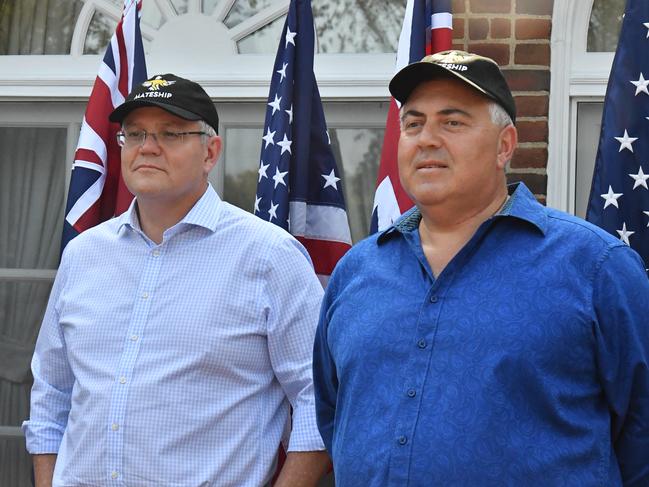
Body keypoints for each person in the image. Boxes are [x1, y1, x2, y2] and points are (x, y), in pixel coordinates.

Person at [313, 51, 649, 486]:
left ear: (504, 145)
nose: (426, 139)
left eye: (452, 122)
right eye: (413, 124)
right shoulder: (357, 271)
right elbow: (335, 416)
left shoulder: (595, 267)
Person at [23, 74, 329, 487]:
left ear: (210, 151)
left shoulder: (269, 256)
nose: (148, 147)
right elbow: (51, 395)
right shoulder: (82, 256)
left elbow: (320, 400)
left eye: (170, 133)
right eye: (135, 134)